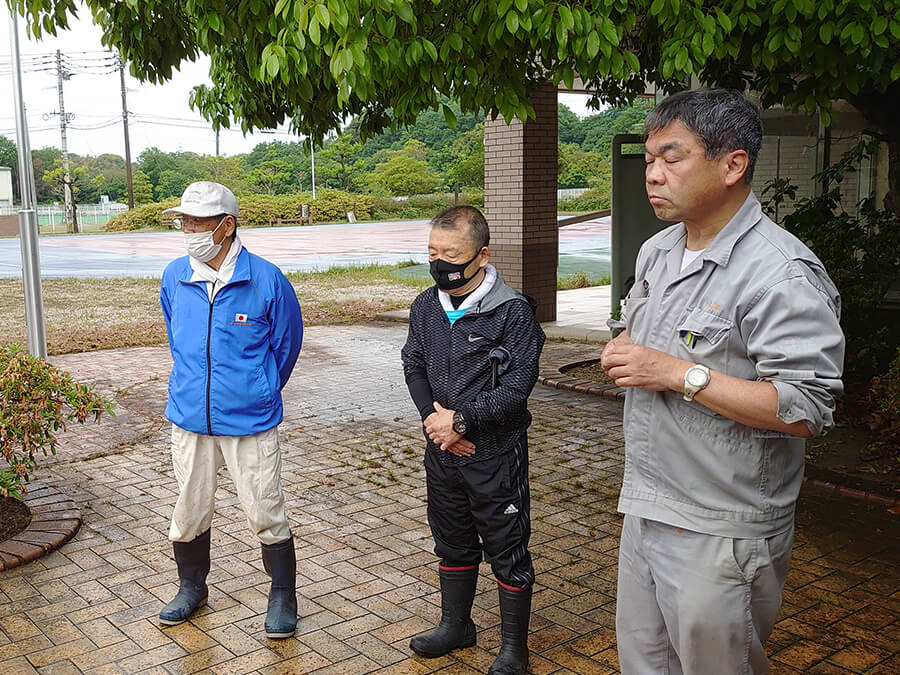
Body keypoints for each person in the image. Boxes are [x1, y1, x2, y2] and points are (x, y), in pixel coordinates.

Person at [601, 89, 845, 673]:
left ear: (733, 165)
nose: (652, 174)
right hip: (647, 505)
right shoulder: (659, 251)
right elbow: (644, 333)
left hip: (721, 527)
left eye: (671, 157)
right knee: (644, 665)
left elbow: (805, 408)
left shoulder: (780, 274)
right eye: (649, 159)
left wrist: (676, 373)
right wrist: (626, 347)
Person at [401, 206, 545, 675]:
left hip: (495, 455)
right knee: (452, 541)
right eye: (432, 252)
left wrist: (461, 423)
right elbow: (413, 364)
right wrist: (435, 423)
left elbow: (516, 388)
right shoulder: (426, 306)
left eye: (451, 254)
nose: (439, 262)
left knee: (507, 548)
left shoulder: (513, 313)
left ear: (482, 255)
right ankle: (456, 626)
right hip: (442, 453)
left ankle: (514, 650)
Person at [158, 181, 303, 638]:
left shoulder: (266, 280)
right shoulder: (174, 277)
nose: (188, 231)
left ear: (226, 226)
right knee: (189, 507)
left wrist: (259, 388)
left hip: (249, 420)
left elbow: (286, 344)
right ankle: (191, 587)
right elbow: (177, 338)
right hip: (189, 418)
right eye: (183, 222)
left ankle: (282, 595)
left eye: (196, 222)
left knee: (265, 508)